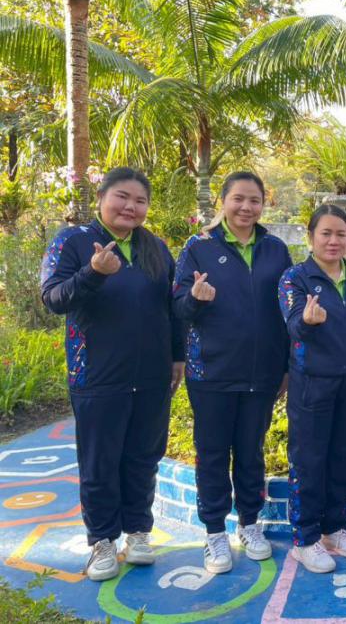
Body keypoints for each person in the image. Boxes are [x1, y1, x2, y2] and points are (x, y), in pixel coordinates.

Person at [40, 167, 183, 581]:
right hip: (96, 373)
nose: (130, 207)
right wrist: (92, 273)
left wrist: (177, 356)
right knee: (100, 461)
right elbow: (53, 298)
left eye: (140, 201)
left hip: (152, 374)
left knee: (143, 457)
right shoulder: (72, 241)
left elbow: (171, 308)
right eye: (122, 197)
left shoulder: (155, 247)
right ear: (102, 197)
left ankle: (138, 532)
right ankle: (102, 540)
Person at [172, 171, 292, 574]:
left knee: (250, 451)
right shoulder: (199, 247)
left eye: (254, 200)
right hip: (211, 372)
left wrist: (286, 366)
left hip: (262, 373)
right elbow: (178, 307)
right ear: (222, 201)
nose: (246, 207)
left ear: (263, 205)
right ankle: (214, 533)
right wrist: (195, 297)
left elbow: (287, 311)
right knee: (211, 453)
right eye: (238, 198)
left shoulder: (275, 249)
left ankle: (249, 524)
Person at [278, 205, 346, 573]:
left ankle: (333, 527)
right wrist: (307, 322)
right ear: (311, 238)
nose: (333, 241)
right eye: (326, 233)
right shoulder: (295, 278)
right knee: (309, 460)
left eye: (341, 234)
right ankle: (305, 538)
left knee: (342, 457)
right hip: (312, 383)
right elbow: (293, 325)